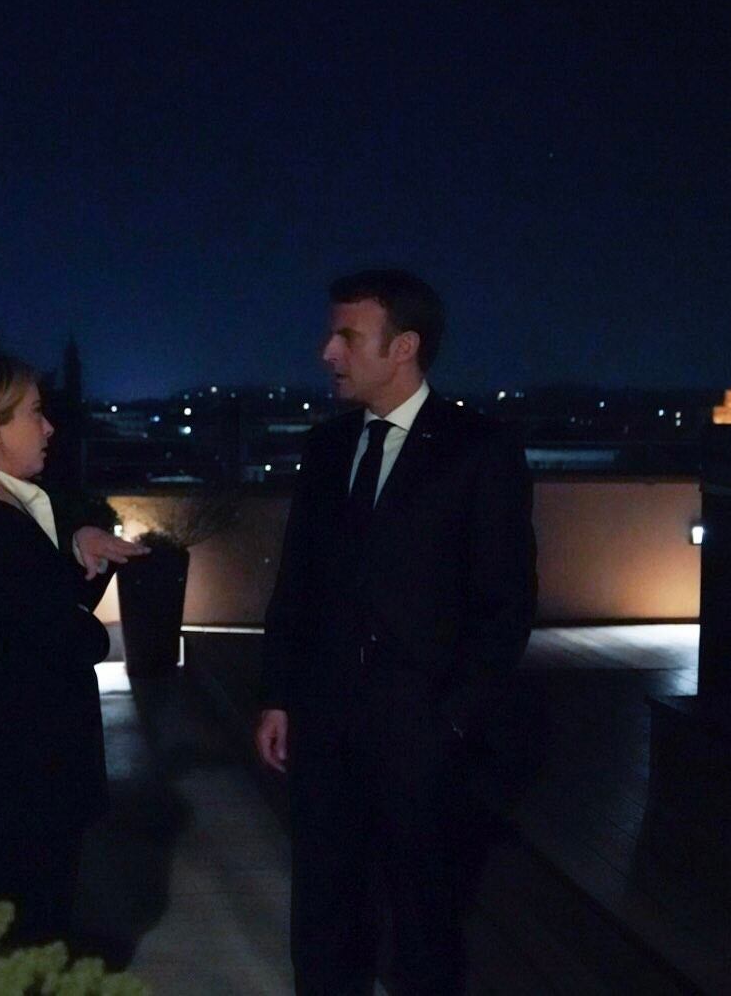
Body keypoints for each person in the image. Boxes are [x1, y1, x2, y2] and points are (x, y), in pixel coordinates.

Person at [255, 270, 537, 994]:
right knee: (323, 922)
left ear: (403, 347)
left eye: (346, 337)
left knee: (424, 929)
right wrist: (279, 694)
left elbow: (505, 607)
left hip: (424, 742)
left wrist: (451, 724)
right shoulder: (325, 447)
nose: (327, 352)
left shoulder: (479, 450)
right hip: (324, 734)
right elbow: (297, 584)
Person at [0, 352, 147, 943]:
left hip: (21, 778)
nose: (48, 427)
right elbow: (59, 636)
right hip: (27, 779)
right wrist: (87, 628)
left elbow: (37, 617)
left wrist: (80, 555)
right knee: (25, 932)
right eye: (33, 413)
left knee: (19, 922)